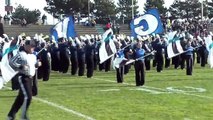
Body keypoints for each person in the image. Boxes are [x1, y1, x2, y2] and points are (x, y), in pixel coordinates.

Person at [7, 38, 41, 120]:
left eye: (33, 47)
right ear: (26, 46)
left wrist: (37, 64)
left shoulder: (33, 56)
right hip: (23, 77)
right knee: (28, 96)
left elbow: (33, 65)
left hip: (30, 78)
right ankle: (23, 116)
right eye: (31, 46)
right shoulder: (21, 54)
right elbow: (11, 63)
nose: (33, 48)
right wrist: (21, 67)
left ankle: (11, 115)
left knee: (20, 98)